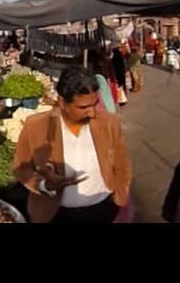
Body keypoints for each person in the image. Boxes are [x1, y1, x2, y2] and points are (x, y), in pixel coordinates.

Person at [12, 65, 132, 223]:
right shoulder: (36, 126)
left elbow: (122, 165)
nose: (92, 113)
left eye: (94, 104)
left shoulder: (110, 123)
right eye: (83, 107)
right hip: (55, 214)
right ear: (62, 102)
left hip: (102, 211)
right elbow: (21, 167)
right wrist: (44, 184)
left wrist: (118, 200)